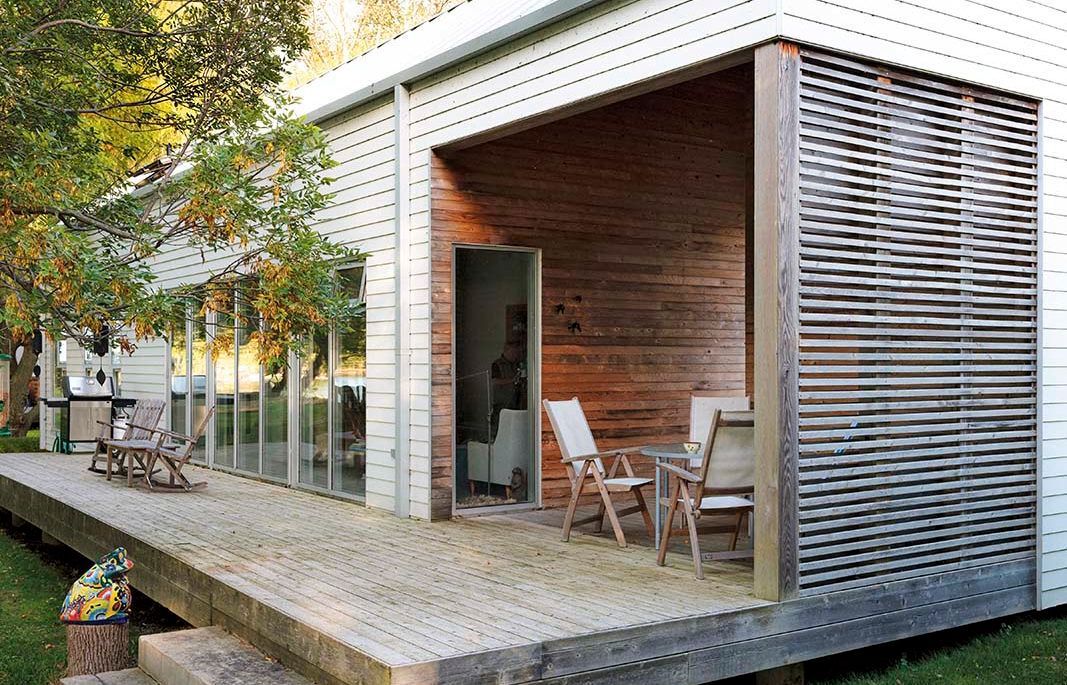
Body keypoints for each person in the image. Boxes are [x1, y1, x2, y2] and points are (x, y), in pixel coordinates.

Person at [490, 342, 526, 435]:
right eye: (514, 352)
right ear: (507, 351)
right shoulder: (497, 364)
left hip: (515, 400)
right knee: (499, 426)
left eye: (517, 353)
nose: (516, 355)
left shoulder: (516, 364)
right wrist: (512, 380)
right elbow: (495, 381)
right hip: (501, 401)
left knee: (512, 427)